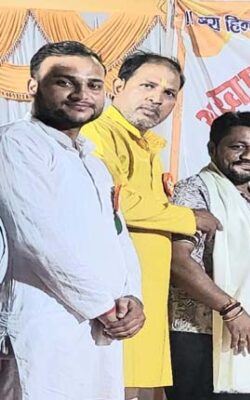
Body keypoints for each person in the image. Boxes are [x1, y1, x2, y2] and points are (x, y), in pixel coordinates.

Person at [0, 41, 143, 399]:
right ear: (32, 86)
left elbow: (118, 236)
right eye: (65, 82)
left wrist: (132, 296)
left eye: (94, 85)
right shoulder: (16, 143)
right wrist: (103, 306)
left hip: (102, 324)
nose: (82, 94)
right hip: (44, 322)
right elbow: (35, 239)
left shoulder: (93, 162)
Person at [81, 51, 221, 396]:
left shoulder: (145, 145)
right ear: (118, 86)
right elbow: (113, 201)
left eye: (169, 92)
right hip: (115, 302)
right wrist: (188, 218)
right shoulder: (98, 132)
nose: (157, 98)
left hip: (145, 301)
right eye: (148, 86)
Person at [166, 111, 250, 399]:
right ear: (212, 148)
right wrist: (231, 310)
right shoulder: (195, 190)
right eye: (238, 147)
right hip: (200, 334)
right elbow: (179, 261)